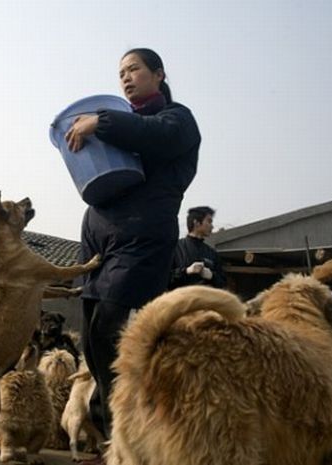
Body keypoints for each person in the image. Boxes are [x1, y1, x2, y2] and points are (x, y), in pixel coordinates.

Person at [65, 48, 201, 446]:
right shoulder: (116, 126)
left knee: (110, 329)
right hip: (99, 234)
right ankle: (111, 435)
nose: (126, 77)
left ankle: (132, 434)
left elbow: (155, 136)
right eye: (121, 72)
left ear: (158, 74)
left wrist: (99, 122)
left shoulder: (177, 120)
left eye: (134, 69)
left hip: (142, 236)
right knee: (90, 339)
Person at [169, 206, 227, 289]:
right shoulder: (175, 248)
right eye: (209, 221)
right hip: (181, 299)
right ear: (196, 223)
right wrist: (186, 271)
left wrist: (212, 276)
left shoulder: (212, 253)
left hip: (205, 300)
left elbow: (223, 283)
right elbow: (164, 278)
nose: (212, 226)